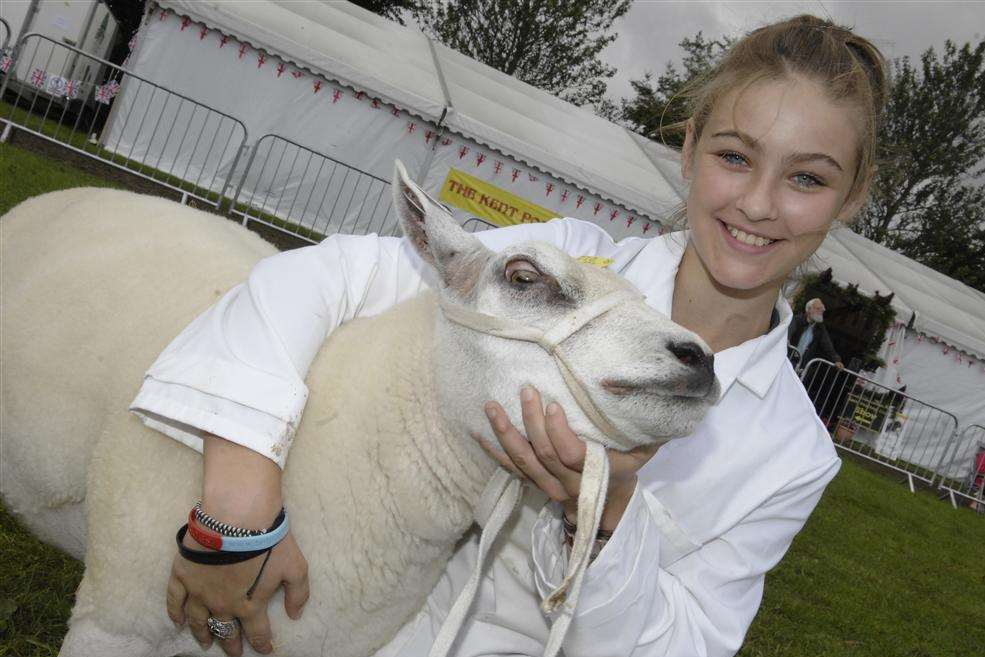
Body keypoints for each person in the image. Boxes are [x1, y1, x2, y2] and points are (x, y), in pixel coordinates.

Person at [131, 14, 889, 657]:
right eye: (733, 157)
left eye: (806, 179)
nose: (757, 203)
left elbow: (686, 640)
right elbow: (328, 276)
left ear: (848, 197)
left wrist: (608, 507)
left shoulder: (793, 451)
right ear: (687, 151)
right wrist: (237, 505)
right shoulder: (557, 263)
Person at [788, 297, 844, 368]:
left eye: (822, 309)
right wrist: (787, 340)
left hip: (801, 364)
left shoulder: (820, 328)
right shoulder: (797, 320)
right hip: (787, 358)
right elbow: (789, 330)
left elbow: (827, 344)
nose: (822, 311)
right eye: (818, 309)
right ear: (809, 310)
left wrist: (836, 360)